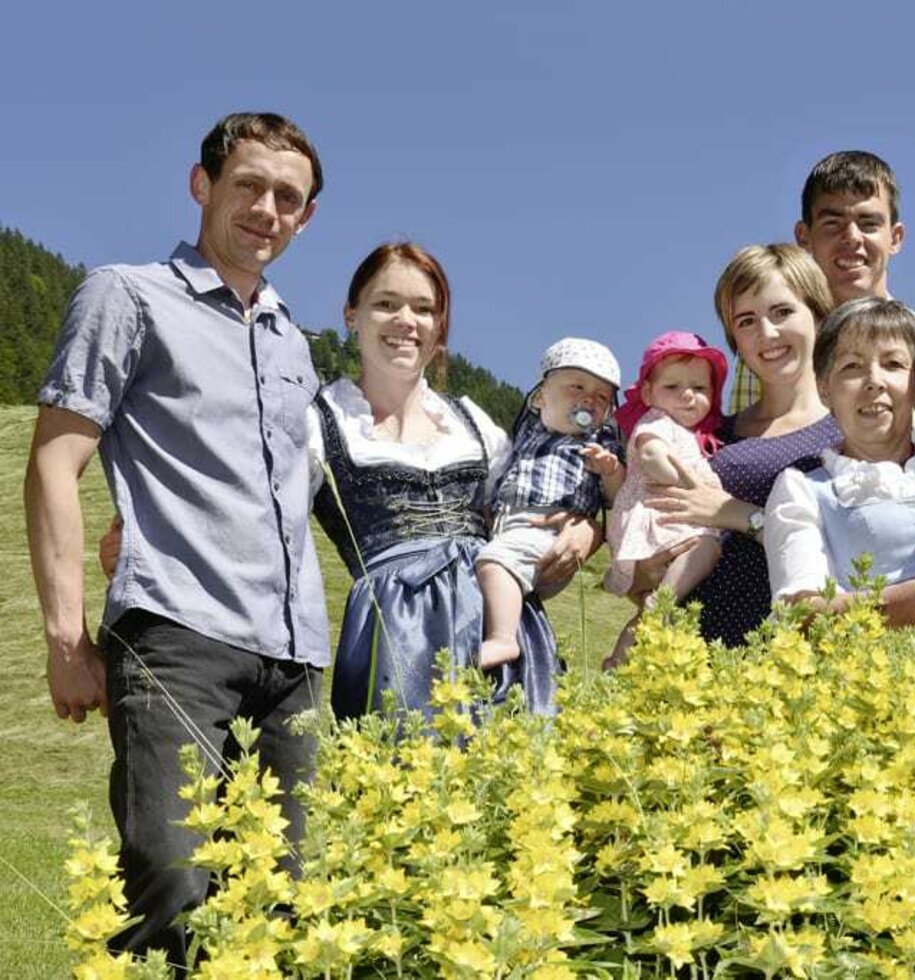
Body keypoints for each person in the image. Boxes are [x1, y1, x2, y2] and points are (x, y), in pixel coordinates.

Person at [25, 112, 328, 968]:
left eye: (288, 198)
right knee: (170, 875)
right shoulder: (126, 295)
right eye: (249, 186)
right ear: (203, 186)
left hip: (296, 652)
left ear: (305, 219)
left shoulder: (292, 343)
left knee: (287, 890)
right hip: (177, 632)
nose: (267, 209)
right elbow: (55, 461)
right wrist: (64, 639)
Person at [311, 245, 596, 717]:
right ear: (351, 315)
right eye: (386, 304)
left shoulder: (472, 423)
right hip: (397, 635)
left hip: (499, 625)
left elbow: (540, 500)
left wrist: (588, 528)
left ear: (439, 327)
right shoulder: (319, 423)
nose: (406, 320)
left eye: (424, 309)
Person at [642, 244, 841, 646]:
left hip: (784, 657)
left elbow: (845, 548)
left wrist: (738, 515)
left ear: (819, 315)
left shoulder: (844, 435)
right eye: (747, 321)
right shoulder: (710, 434)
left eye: (782, 312)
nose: (767, 333)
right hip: (683, 655)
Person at [764, 297, 915, 622]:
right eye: (852, 367)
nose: (874, 381)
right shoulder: (802, 490)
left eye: (893, 364)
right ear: (825, 390)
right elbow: (800, 615)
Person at [729, 150, 915, 436]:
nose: (852, 237)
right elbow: (750, 451)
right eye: (833, 223)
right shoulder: (772, 345)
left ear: (896, 237)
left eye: (869, 224)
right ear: (803, 236)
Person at [475, 338, 623, 669]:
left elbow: (615, 496)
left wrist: (610, 469)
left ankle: (502, 640)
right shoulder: (525, 435)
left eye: (602, 397)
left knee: (494, 562)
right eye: (577, 387)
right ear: (540, 397)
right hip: (509, 527)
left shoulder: (597, 445)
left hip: (550, 536)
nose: (589, 399)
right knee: (485, 567)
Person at [602, 331, 728, 668]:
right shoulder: (657, 421)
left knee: (648, 619)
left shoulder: (690, 435)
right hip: (658, 518)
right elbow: (651, 451)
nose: (688, 395)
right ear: (648, 393)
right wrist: (675, 475)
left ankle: (619, 659)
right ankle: (665, 600)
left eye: (700, 389)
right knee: (707, 547)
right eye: (673, 387)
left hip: (666, 520)